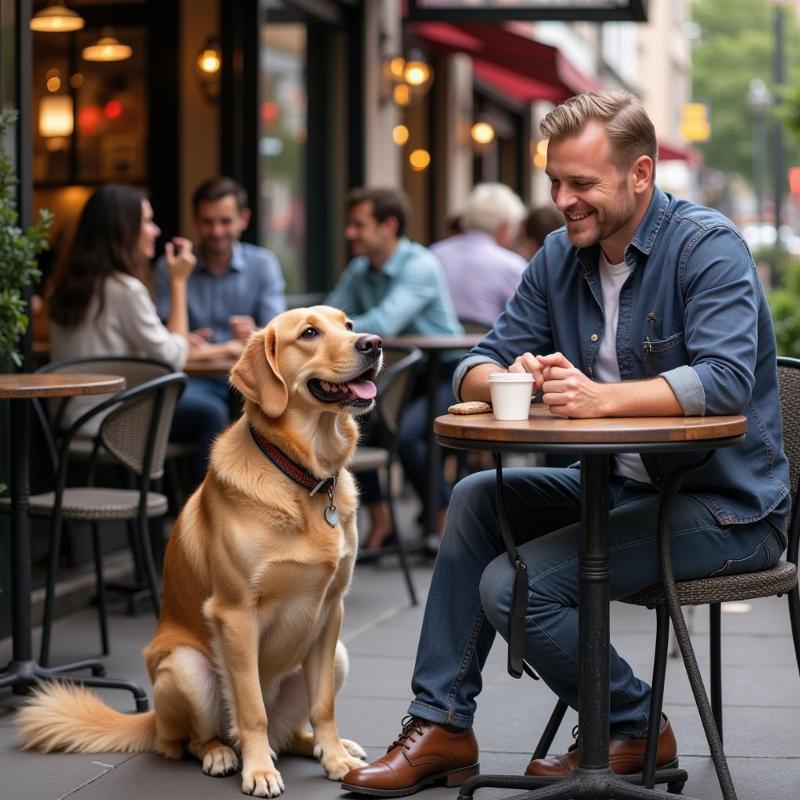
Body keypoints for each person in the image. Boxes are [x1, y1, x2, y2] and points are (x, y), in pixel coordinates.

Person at [341, 90, 790, 797]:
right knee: (477, 498)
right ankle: (443, 726)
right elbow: (475, 362)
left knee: (513, 584)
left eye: (582, 184)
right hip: (624, 489)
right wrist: (509, 378)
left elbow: (727, 379)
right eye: (555, 182)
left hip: (727, 508)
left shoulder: (707, 248)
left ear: (640, 174)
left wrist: (600, 398)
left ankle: (634, 723)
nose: (563, 199)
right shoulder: (558, 255)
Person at [48, 184, 240, 481]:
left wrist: (173, 340)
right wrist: (179, 282)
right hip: (114, 420)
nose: (155, 230)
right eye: (147, 222)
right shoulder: (125, 289)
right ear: (124, 230)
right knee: (212, 412)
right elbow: (173, 357)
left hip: (71, 419)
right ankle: (206, 516)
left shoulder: (64, 285)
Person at [325, 187, 463, 554]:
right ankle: (381, 519)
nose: (349, 233)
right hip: (400, 376)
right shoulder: (360, 269)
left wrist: (328, 333)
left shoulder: (420, 265)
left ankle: (446, 520)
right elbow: (330, 314)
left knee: (411, 438)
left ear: (389, 226)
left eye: (358, 225)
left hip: (445, 373)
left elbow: (384, 321)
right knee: (349, 425)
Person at [153, 176, 287, 444]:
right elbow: (169, 346)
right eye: (207, 222)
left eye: (225, 221)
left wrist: (255, 333)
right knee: (209, 414)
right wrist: (236, 346)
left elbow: (276, 339)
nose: (216, 231)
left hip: (251, 381)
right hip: (191, 382)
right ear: (196, 220)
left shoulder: (263, 264)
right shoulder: (171, 268)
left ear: (243, 219)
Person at [431, 183, 527, 328]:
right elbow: (525, 318)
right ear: (505, 227)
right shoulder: (511, 264)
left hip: (432, 346)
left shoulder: (434, 253)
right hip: (487, 346)